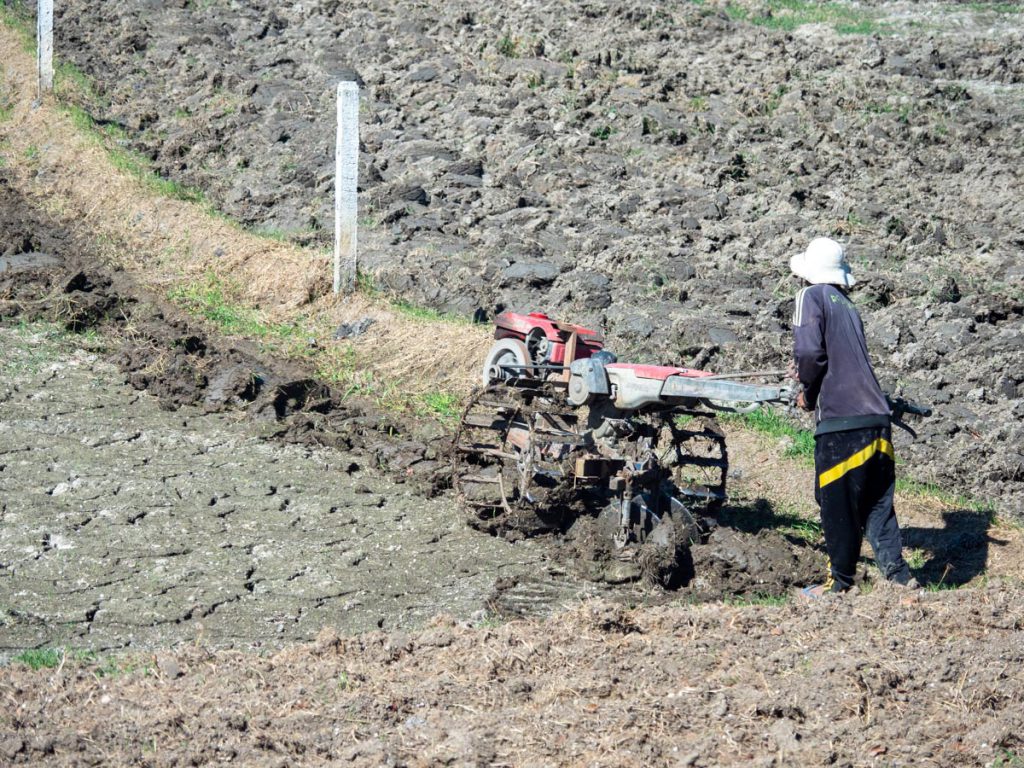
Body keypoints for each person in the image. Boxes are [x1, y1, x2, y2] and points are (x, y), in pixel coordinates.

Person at [789, 237, 916, 597]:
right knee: (877, 505)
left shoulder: (809, 297)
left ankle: (838, 585)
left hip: (842, 422)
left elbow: (810, 354)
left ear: (808, 273)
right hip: (877, 420)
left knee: (836, 502)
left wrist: (807, 394)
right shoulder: (847, 305)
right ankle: (899, 578)